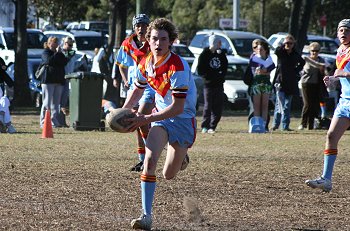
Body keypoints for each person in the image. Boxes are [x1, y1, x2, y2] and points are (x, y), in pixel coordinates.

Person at [122, 18, 196, 230]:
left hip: (181, 120)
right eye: (154, 38)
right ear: (149, 40)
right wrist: (125, 110)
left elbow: (177, 108)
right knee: (149, 161)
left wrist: (144, 118)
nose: (158, 43)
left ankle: (182, 157)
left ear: (171, 41)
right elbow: (137, 89)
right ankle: (146, 216)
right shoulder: (146, 62)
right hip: (161, 119)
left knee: (168, 174)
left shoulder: (178, 66)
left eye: (163, 39)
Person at [305, 19, 350, 192]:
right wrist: (332, 80)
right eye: (340, 30)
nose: (343, 33)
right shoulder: (340, 50)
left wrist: (345, 73)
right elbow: (341, 76)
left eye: (346, 30)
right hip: (345, 101)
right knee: (331, 136)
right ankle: (326, 179)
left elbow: (346, 73)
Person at [114, 13, 155, 172]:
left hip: (150, 87)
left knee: (141, 120)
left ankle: (153, 155)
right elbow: (121, 64)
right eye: (138, 25)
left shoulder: (153, 42)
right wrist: (124, 79)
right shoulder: (127, 44)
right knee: (137, 125)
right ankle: (143, 160)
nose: (141, 28)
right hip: (134, 87)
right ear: (134, 27)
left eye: (144, 25)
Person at [272, 34, 305, 131]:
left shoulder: (295, 55)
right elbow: (276, 50)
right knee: (279, 104)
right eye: (286, 43)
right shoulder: (281, 53)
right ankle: (275, 125)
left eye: (290, 43)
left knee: (287, 105)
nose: (288, 45)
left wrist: (296, 71)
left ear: (293, 44)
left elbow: (302, 62)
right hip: (280, 82)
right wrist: (282, 45)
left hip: (291, 82)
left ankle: (285, 126)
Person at [197, 33, 228, 134]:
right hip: (208, 85)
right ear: (214, 43)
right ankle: (205, 126)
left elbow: (225, 68)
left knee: (218, 107)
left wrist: (220, 76)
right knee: (208, 106)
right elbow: (200, 69)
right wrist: (208, 77)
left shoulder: (221, 54)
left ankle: (213, 126)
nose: (220, 44)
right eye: (219, 42)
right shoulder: (204, 54)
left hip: (219, 85)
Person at [58, 36, 88, 127]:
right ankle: (57, 122)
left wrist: (82, 61)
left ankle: (62, 122)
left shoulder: (71, 53)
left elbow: (73, 66)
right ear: (64, 43)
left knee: (63, 102)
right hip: (60, 79)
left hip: (68, 79)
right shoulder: (60, 53)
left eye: (71, 45)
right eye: (68, 44)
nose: (70, 46)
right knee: (58, 102)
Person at [39, 36, 68, 128]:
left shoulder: (59, 53)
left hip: (58, 81)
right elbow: (49, 61)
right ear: (49, 43)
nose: (55, 44)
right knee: (46, 102)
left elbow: (64, 62)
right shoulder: (45, 52)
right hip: (48, 81)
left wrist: (59, 53)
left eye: (56, 42)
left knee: (56, 103)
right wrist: (56, 54)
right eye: (53, 42)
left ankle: (54, 121)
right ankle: (43, 122)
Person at [247, 39, 275, 129]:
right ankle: (256, 125)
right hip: (256, 83)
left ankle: (263, 125)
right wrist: (264, 72)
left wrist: (264, 72)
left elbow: (268, 71)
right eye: (257, 49)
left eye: (261, 49)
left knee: (265, 105)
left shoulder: (268, 59)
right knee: (256, 105)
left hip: (266, 84)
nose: (259, 51)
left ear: (265, 50)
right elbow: (256, 72)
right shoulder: (254, 58)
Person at [298, 42, 327, 130]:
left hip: (317, 84)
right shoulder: (306, 59)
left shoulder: (321, 60)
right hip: (306, 83)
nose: (314, 53)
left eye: (316, 51)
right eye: (312, 51)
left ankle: (311, 125)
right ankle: (303, 123)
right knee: (307, 104)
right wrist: (321, 66)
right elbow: (317, 65)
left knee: (314, 104)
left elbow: (324, 70)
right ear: (309, 51)